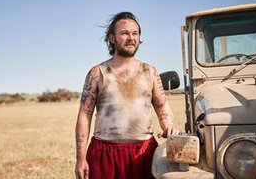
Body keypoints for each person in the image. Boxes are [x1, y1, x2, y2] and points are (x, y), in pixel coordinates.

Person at [74, 11, 181, 179]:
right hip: (105, 154)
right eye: (124, 33)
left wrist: (168, 126)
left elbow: (162, 108)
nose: (131, 38)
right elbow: (84, 113)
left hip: (143, 153)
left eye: (135, 33)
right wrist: (80, 158)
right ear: (112, 38)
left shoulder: (150, 71)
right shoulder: (97, 73)